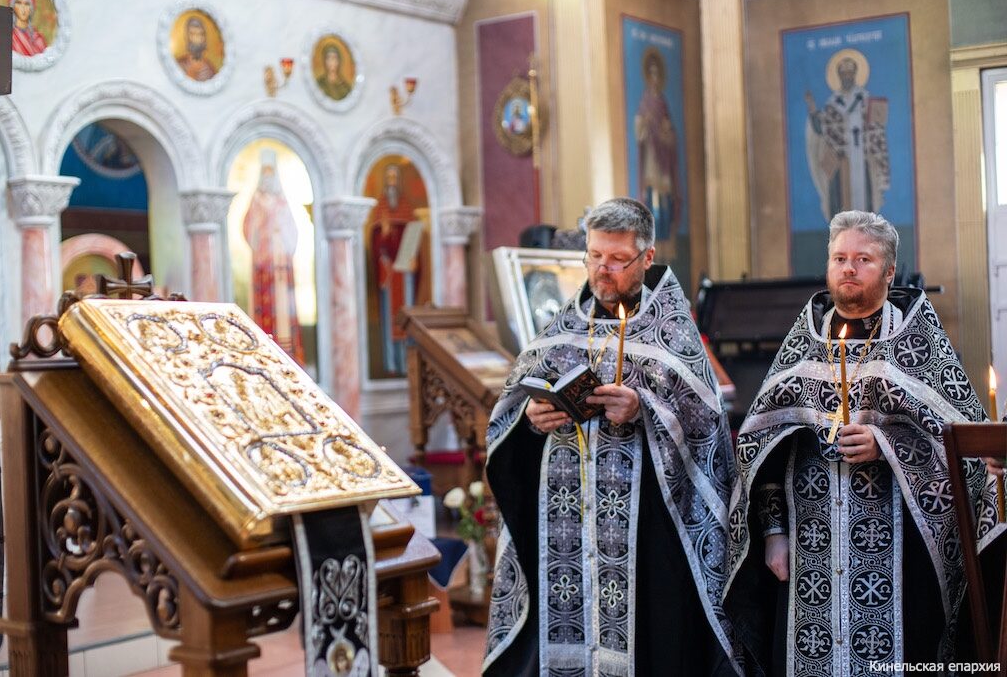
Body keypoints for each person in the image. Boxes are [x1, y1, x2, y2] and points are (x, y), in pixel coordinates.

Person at [725, 211, 998, 675]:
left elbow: (963, 452)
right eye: (839, 258)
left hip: (901, 554)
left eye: (863, 259)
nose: (848, 268)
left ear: (889, 272)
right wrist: (773, 533)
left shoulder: (917, 343)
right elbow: (761, 453)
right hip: (809, 549)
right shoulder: (804, 342)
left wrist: (886, 445)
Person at [483, 198, 740, 676]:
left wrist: (644, 410)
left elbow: (707, 431)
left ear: (647, 257)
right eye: (595, 256)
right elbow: (512, 410)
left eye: (618, 259)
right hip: (567, 524)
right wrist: (532, 417)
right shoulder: (564, 325)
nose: (603, 270)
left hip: (649, 529)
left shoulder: (673, 332)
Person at [804, 51, 890, 220]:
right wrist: (813, 109)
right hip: (842, 163)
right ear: (839, 76)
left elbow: (878, 135)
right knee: (840, 208)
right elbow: (821, 128)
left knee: (866, 211)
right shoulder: (833, 104)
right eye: (843, 74)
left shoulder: (866, 100)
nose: (847, 77)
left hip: (862, 162)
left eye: (850, 73)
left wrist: (881, 167)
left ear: (855, 75)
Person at [242, 149, 304, 365]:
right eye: (265, 171)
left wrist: (280, 233)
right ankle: (265, 351)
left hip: (280, 263)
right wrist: (261, 229)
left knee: (283, 308)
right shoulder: (256, 201)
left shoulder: (282, 201)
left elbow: (292, 231)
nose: (268, 176)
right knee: (265, 304)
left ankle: (287, 354)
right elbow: (247, 229)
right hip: (263, 264)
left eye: (271, 171)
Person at [366, 163, 426, 377]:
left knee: (405, 319)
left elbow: (413, 240)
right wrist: (383, 234)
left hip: (405, 273)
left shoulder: (406, 208)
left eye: (395, 177)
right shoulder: (380, 210)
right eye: (389, 177)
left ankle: (406, 364)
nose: (392, 182)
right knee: (389, 321)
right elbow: (376, 244)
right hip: (389, 274)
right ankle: (391, 364)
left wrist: (414, 259)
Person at [634, 48, 681, 246]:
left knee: (665, 197)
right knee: (652, 195)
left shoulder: (662, 102)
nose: (654, 78)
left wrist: (666, 133)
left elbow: (670, 130)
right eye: (651, 74)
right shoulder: (645, 102)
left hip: (664, 159)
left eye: (656, 74)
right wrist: (644, 124)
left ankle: (665, 237)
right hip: (652, 157)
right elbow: (639, 129)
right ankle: (653, 239)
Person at [175, 16, 218, 81]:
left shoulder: (210, 69)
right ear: (187, 37)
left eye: (200, 34)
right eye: (193, 34)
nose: (196, 38)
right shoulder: (179, 64)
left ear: (204, 38)